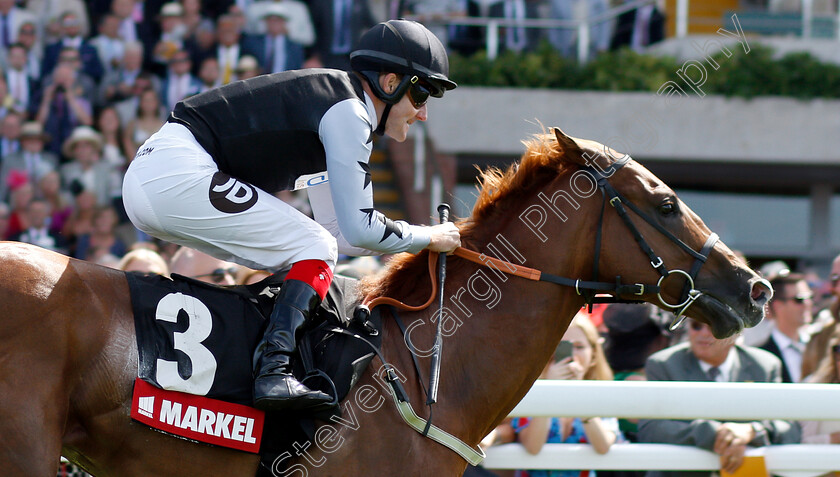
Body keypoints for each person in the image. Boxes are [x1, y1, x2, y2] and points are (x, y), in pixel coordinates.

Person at [121, 19, 460, 413]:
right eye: (421, 96)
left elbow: (344, 235)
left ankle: (255, 358)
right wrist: (429, 237)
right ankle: (272, 369)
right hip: (175, 171)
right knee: (313, 245)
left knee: (315, 246)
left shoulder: (339, 107)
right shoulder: (351, 114)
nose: (423, 114)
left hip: (162, 173)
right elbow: (360, 228)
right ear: (389, 83)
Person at [638, 319, 801, 477]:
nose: (703, 333)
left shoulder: (765, 366)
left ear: (736, 332)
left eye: (714, 327)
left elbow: (790, 428)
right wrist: (713, 434)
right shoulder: (663, 364)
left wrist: (752, 431)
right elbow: (650, 428)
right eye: (696, 325)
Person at [511, 313, 621, 477]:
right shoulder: (529, 391)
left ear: (593, 355)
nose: (572, 354)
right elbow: (532, 447)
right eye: (562, 346)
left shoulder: (602, 394)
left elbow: (603, 445)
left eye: (579, 347)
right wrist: (551, 389)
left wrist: (577, 393)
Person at [759, 272, 814, 383]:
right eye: (800, 300)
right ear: (778, 306)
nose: (808, 304)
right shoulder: (761, 355)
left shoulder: (820, 345)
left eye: (810, 297)